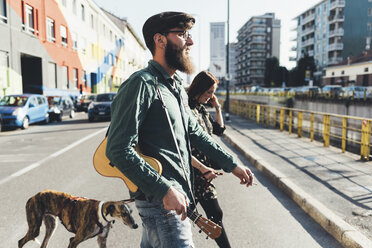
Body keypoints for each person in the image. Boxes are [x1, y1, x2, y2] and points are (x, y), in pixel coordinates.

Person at [106, 11, 254, 248]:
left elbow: (195, 132)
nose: (190, 41)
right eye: (183, 34)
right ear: (160, 40)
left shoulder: (173, 87)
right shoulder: (141, 84)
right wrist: (164, 189)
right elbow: (117, 149)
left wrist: (231, 163)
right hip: (162, 203)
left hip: (170, 200)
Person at [187, 70, 231, 248]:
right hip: (192, 173)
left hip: (203, 173)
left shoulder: (201, 109)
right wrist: (201, 168)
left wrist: (217, 107)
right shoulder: (187, 110)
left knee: (213, 214)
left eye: (213, 92)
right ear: (199, 89)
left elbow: (219, 130)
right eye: (209, 92)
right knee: (176, 217)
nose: (211, 96)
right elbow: (181, 146)